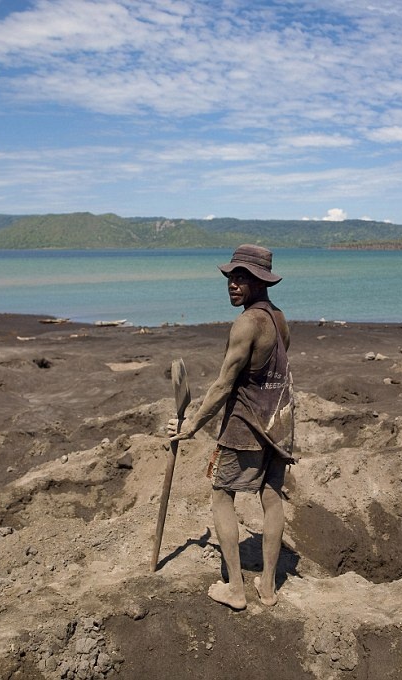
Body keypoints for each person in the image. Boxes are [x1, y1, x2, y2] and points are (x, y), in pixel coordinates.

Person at [168, 244, 294, 610]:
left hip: (248, 423)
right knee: (271, 498)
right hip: (280, 421)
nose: (233, 284)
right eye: (231, 277)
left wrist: (192, 424)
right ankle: (267, 588)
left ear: (259, 281)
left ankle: (236, 590)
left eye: (241, 278)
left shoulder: (246, 324)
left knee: (222, 496)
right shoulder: (279, 318)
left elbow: (224, 384)